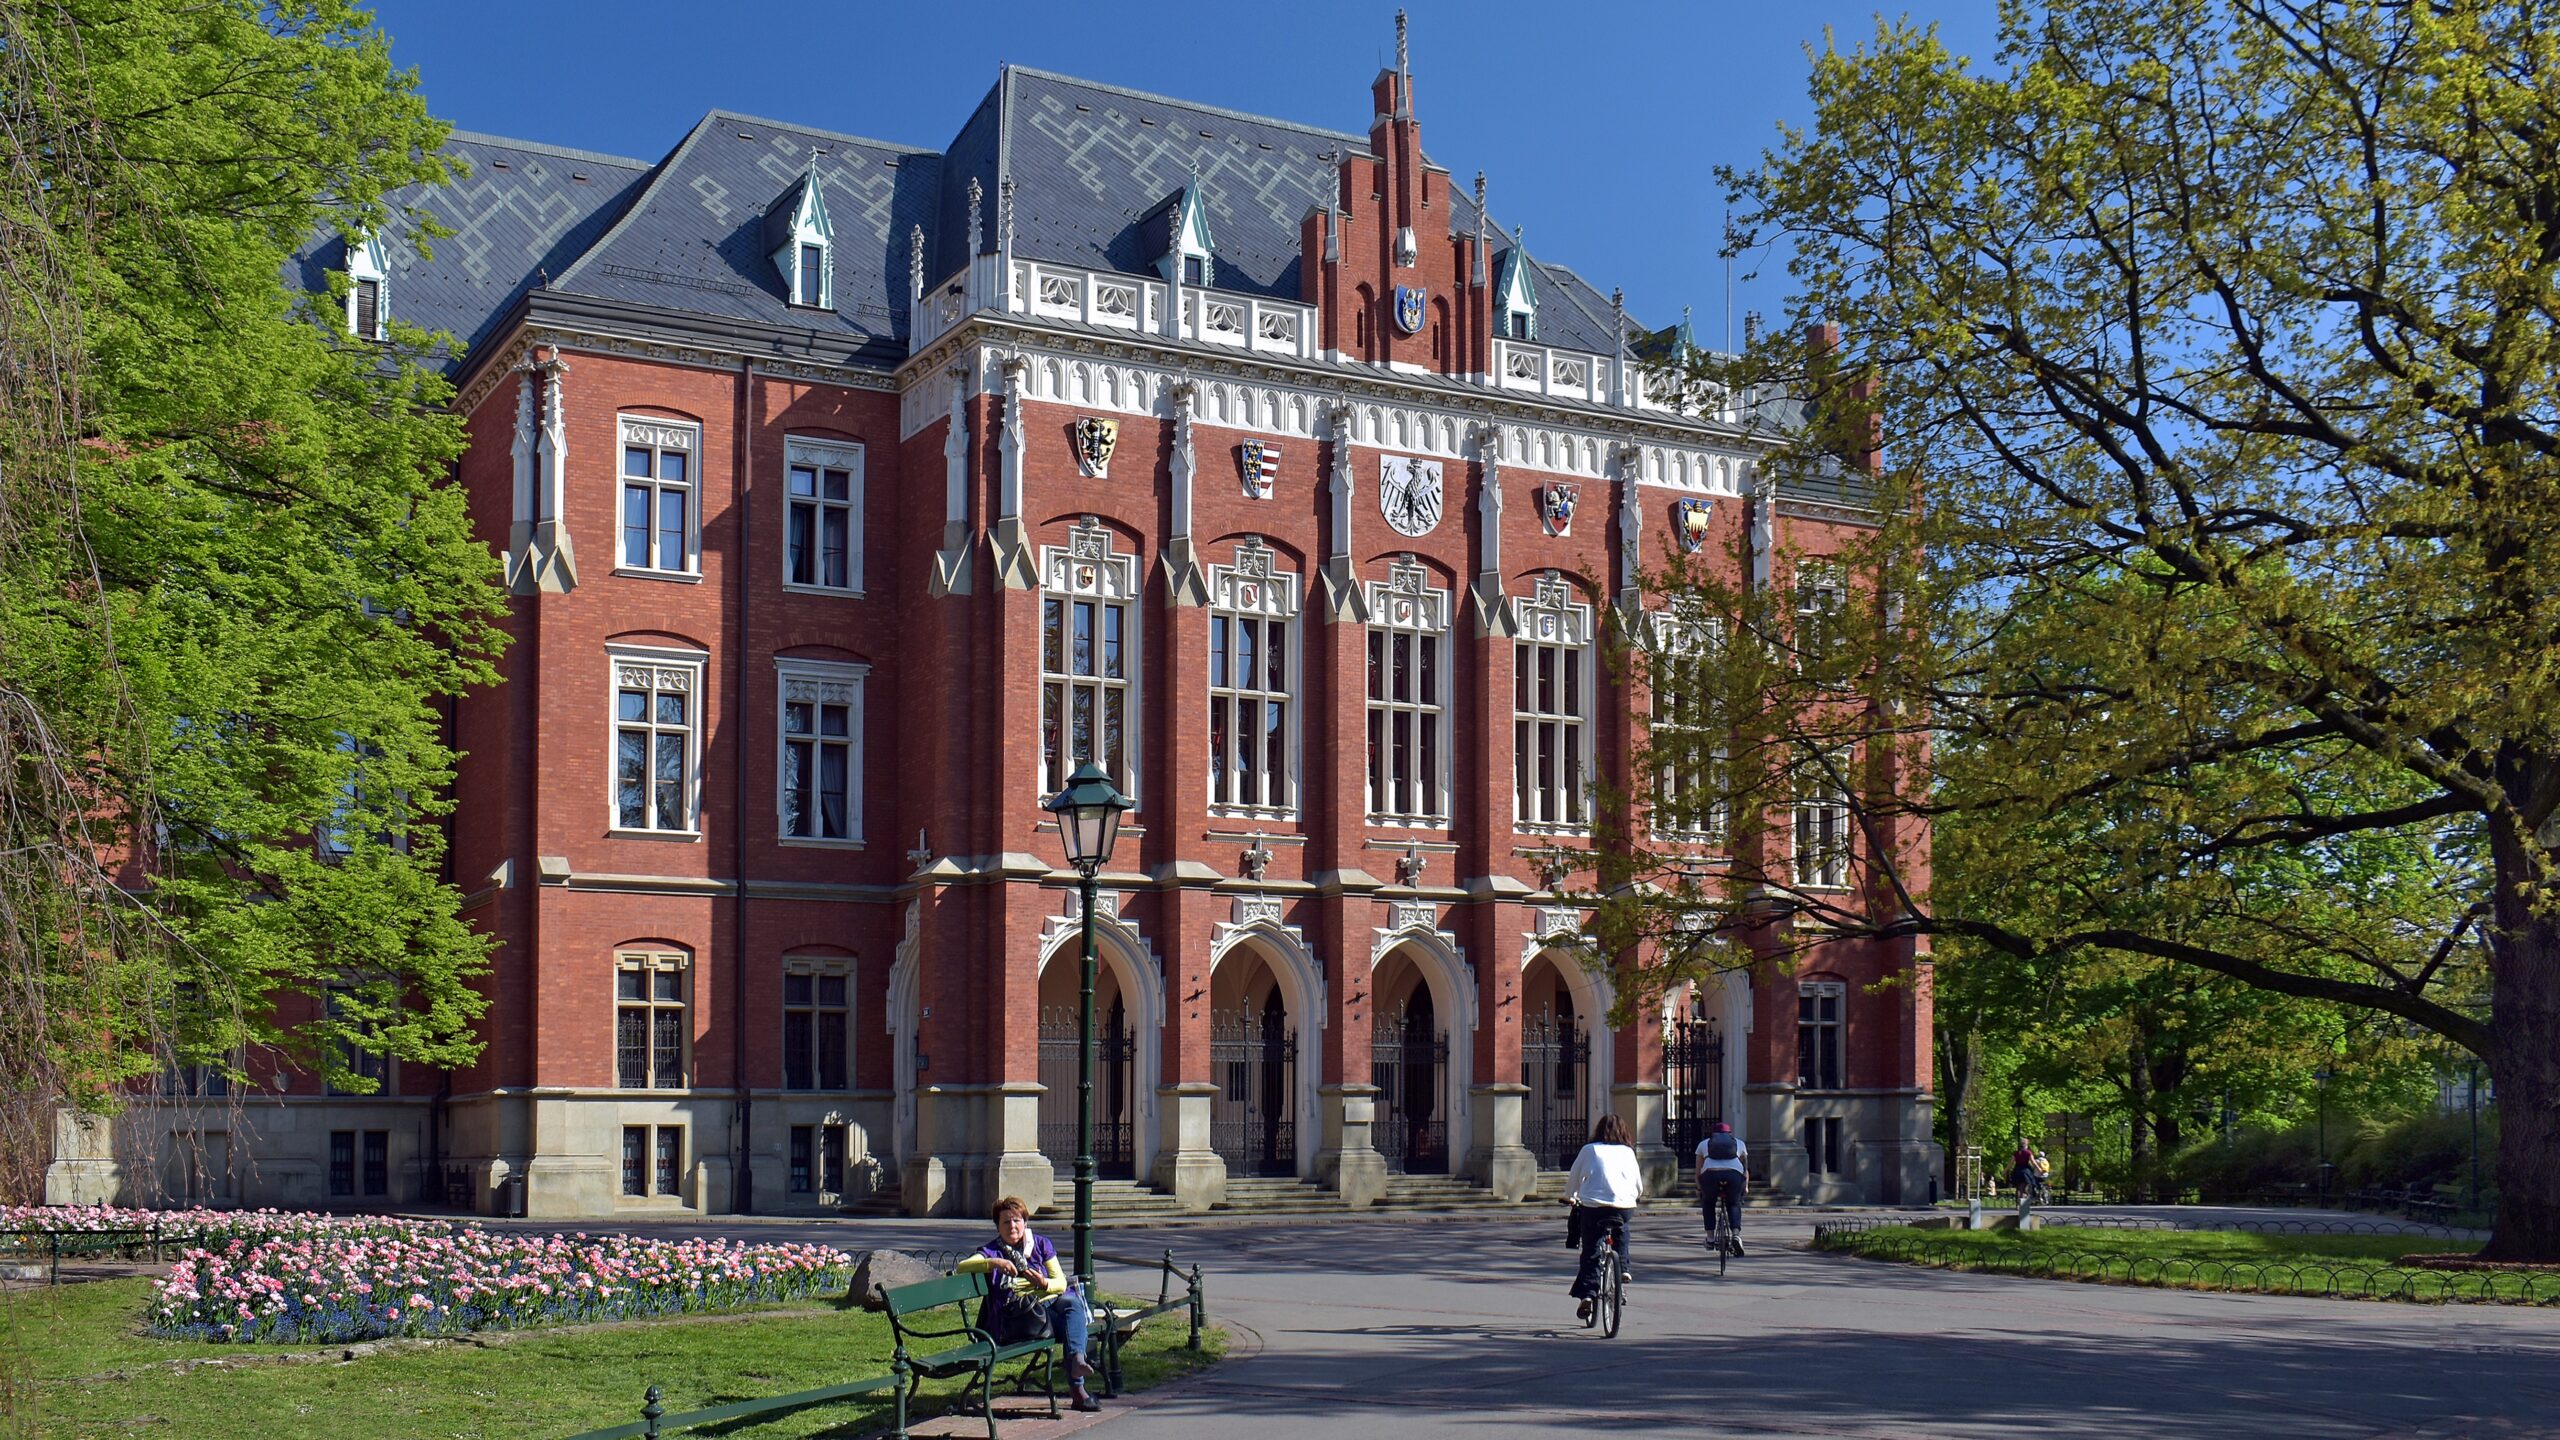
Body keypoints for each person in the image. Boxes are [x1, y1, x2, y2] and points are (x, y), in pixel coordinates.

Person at [955, 1196, 1101, 1412]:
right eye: (1006, 1222)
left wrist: (1043, 1283)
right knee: (1073, 1318)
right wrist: (994, 1263)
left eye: (1017, 1220)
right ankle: (1078, 1387)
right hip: (1016, 1318)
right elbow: (962, 1267)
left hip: (1045, 1309)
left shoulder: (1040, 1244)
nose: (1012, 1226)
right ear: (998, 1227)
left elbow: (1060, 1282)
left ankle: (1077, 1362)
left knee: (1071, 1304)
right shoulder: (991, 1251)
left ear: (1025, 1222)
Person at [1564, 1112, 1644, 1322]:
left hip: (1594, 1205)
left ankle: (1589, 1295)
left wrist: (1569, 1196)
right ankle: (1624, 1269)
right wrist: (1635, 1197)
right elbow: (1638, 1184)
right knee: (1622, 1230)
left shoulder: (1589, 1150)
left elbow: (1574, 1176)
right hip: (1624, 1205)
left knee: (1591, 1249)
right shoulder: (1628, 1151)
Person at [1694, 1119, 1748, 1257]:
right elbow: (1745, 1170)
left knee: (1708, 1202)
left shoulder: (1703, 1144)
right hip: (1734, 1176)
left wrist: (1700, 1189)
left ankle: (1710, 1239)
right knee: (1734, 1203)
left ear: (1713, 1134)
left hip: (1711, 1175)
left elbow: (1698, 1171)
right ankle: (1736, 1234)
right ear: (1729, 1134)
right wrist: (1745, 1187)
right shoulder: (1739, 1143)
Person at [2009, 1141, 2037, 1220]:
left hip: (2017, 1171)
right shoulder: (2028, 1153)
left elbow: (2011, 1163)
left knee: (2018, 1188)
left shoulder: (2016, 1153)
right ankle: (2023, 1205)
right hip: (2025, 1171)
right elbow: (2033, 1162)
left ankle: (2018, 1204)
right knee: (2024, 1188)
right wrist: (2039, 1169)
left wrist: (2005, 1171)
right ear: (2026, 1145)